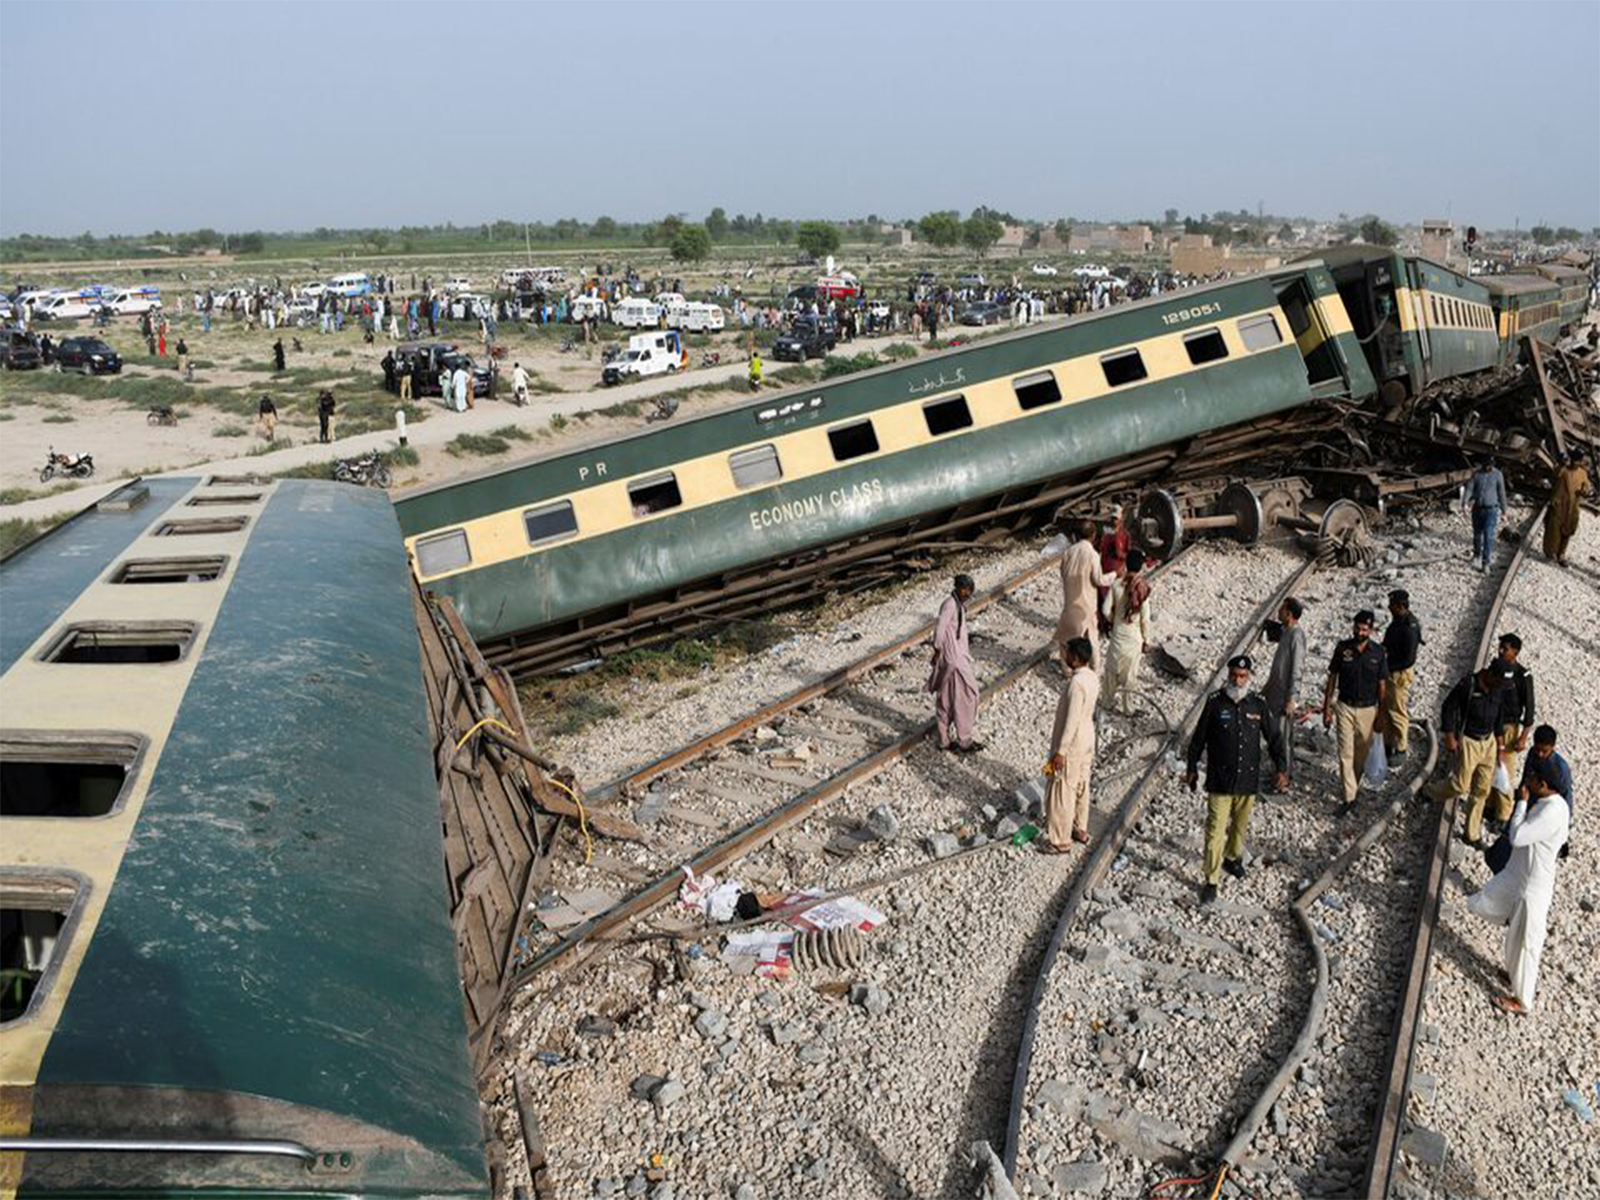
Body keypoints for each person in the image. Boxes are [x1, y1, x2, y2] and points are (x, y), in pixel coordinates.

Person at [1465, 725, 1571, 1013]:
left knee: (1527, 941)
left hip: (1532, 887)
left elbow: (1519, 836)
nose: (1528, 784)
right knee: (1514, 932)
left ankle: (1522, 1000)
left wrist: (1522, 804)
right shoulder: (1557, 805)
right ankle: (1513, 975)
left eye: (1533, 781)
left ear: (1544, 785)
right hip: (1523, 878)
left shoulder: (1550, 811)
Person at [1185, 655, 1287, 903]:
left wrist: (1282, 768)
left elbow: (1274, 738)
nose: (1237, 680)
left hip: (1247, 780)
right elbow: (1198, 738)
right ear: (1227, 676)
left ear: (1249, 677)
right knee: (1215, 830)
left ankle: (1232, 858)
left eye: (1242, 676)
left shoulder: (1258, 704)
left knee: (1240, 827)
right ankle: (1211, 878)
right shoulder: (1215, 703)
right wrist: (1192, 767)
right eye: (1233, 676)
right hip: (1220, 780)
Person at [1428, 663, 1514, 847]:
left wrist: (1499, 747)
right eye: (1499, 682)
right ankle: (1430, 792)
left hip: (1489, 742)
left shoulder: (1498, 689)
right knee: (1460, 785)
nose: (1500, 687)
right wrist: (1450, 736)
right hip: (1469, 741)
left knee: (1481, 790)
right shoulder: (1468, 684)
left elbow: (1499, 717)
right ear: (1490, 675)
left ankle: (1472, 834)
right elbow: (1448, 708)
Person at [1321, 610, 1389, 814]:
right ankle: (1349, 797)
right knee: (1345, 753)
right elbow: (1332, 679)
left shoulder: (1378, 653)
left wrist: (1381, 715)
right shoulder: (1343, 649)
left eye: (1365, 629)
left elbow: (1383, 687)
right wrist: (1327, 708)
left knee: (1361, 755)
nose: (1360, 632)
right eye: (1357, 628)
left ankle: (1353, 784)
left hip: (1368, 709)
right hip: (1345, 707)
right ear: (1353, 627)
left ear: (1371, 630)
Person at [1044, 636, 1099, 852]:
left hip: (1073, 743)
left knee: (1063, 789)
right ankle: (1080, 827)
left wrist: (1060, 752)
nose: (1064, 656)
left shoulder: (1076, 684)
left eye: (1067, 653)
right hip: (1087, 738)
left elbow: (1071, 720)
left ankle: (1060, 840)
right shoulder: (1092, 677)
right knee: (1082, 785)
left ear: (1075, 659)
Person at [927, 574, 982, 754]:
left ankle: (945, 740)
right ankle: (963, 740)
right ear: (957, 587)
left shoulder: (957, 605)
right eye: (964, 589)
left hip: (954, 657)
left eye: (969, 591)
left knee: (947, 697)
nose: (967, 593)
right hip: (953, 658)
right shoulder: (950, 605)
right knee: (969, 694)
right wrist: (937, 650)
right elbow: (940, 627)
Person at [1487, 633, 1536, 831]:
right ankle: (1490, 805)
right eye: (1500, 647)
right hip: (1492, 724)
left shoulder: (1522, 676)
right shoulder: (1496, 668)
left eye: (1505, 649)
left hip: (1509, 728)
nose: (1501, 651)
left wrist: (1523, 737)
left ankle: (1504, 814)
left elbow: (1530, 709)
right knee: (1489, 766)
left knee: (1505, 770)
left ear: (1515, 652)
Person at [1099, 548, 1151, 715]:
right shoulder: (1142, 588)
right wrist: (1146, 640)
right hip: (1133, 640)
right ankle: (1128, 709)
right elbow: (1145, 619)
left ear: (1126, 565)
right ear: (1141, 567)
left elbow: (1105, 609)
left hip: (1118, 637)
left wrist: (1114, 621)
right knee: (1130, 678)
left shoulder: (1116, 585)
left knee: (1111, 673)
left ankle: (1107, 703)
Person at [1055, 520, 1111, 673]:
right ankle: (1095, 670)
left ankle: (1067, 671)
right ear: (1093, 536)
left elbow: (1063, 574)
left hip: (1070, 604)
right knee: (1092, 640)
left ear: (1076, 535)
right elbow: (1099, 579)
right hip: (1086, 607)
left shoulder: (1068, 553)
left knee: (1065, 640)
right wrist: (1114, 575)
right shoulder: (1092, 555)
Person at [1261, 597, 1305, 788]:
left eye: (1281, 609)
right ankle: (1278, 772)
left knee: (1282, 737)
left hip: (1283, 698)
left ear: (1289, 614)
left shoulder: (1296, 635)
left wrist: (1292, 698)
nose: (1278, 612)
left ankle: (1283, 777)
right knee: (1276, 734)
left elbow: (1297, 669)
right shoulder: (1286, 632)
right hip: (1275, 695)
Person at [1381, 590, 1424, 761]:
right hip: (1392, 670)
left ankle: (1400, 747)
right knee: (1388, 707)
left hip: (1398, 674)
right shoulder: (1399, 621)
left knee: (1397, 710)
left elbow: (1408, 659)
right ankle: (1389, 741)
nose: (1389, 608)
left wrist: (1387, 668)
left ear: (1400, 606)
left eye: (1391, 605)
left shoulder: (1409, 628)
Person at [1541, 451, 1590, 566]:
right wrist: (1561, 463)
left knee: (1568, 529)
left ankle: (1561, 554)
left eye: (1578, 461)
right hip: (1559, 504)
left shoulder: (1582, 473)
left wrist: (1585, 491)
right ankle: (1551, 553)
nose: (1576, 463)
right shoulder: (1563, 470)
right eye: (1574, 460)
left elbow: (1586, 486)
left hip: (1572, 506)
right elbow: (1556, 473)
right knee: (1554, 529)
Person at [1465, 455, 1508, 573]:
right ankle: (1477, 554)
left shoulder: (1498, 475)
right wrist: (1465, 502)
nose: (1489, 467)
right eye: (1487, 465)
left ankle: (1486, 563)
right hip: (1477, 509)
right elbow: (1469, 488)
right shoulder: (1477, 474)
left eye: (1491, 465)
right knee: (1477, 535)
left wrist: (1504, 511)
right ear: (1483, 465)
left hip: (1491, 510)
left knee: (1488, 535)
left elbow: (1501, 493)